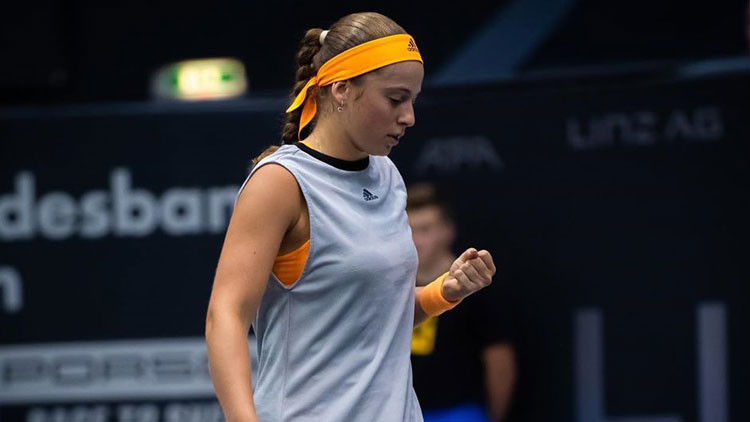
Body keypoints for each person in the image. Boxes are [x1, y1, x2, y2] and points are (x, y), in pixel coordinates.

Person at [204, 12, 497, 422]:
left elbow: (380, 314)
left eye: (412, 101)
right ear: (341, 89)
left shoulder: (388, 175)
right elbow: (225, 316)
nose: (409, 117)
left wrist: (443, 292)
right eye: (395, 99)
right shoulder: (280, 183)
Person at [407, 183, 517, 422]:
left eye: (425, 230)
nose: (417, 240)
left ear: (448, 230)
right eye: (410, 229)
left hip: (459, 412)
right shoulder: (392, 286)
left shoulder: (475, 284)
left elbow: (499, 361)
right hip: (401, 411)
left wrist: (492, 416)